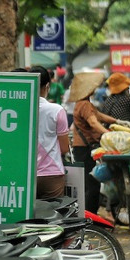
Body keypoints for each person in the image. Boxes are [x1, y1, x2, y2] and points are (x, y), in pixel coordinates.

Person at [69, 71, 118, 216]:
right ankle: (90, 216)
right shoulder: (84, 104)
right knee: (92, 184)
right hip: (85, 149)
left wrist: (117, 122)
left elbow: (99, 116)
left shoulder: (84, 104)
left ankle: (90, 215)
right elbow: (93, 122)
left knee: (91, 183)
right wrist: (108, 134)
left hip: (82, 148)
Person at [32, 66, 70, 198]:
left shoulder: (17, 110)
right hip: (52, 175)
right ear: (47, 86)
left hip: (25, 176)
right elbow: (64, 148)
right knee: (54, 216)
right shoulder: (57, 110)